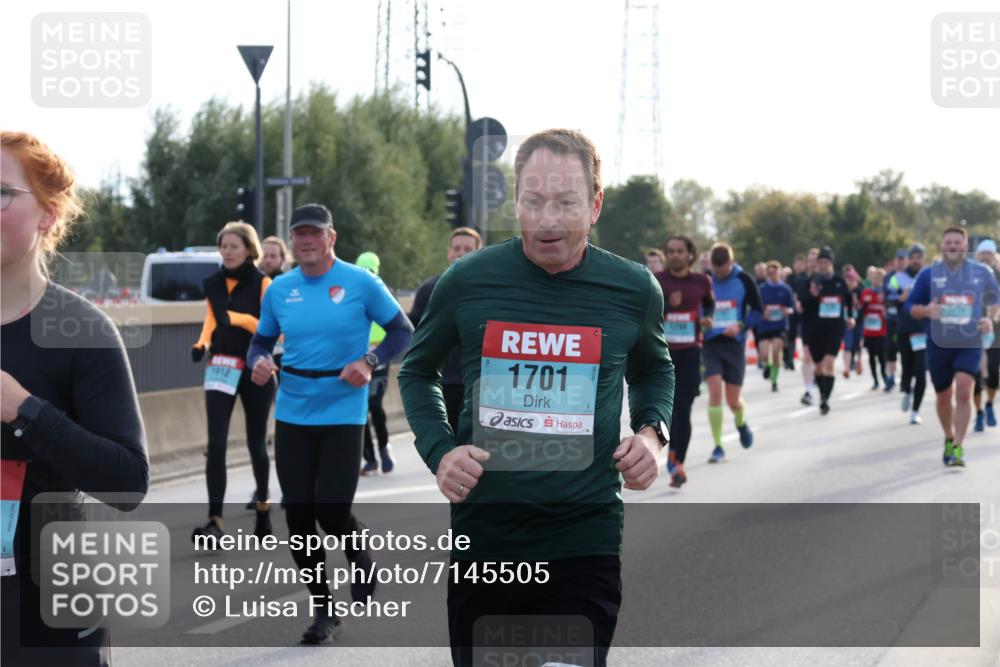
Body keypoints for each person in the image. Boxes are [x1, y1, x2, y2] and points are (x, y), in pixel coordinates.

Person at [398, 129, 674, 667]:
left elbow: (654, 369)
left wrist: (651, 434)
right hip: (488, 541)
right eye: (534, 201)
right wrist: (441, 450)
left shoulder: (633, 288)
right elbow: (417, 370)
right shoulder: (468, 280)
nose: (548, 220)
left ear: (595, 205)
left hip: (584, 538)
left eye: (567, 202)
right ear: (515, 202)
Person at [1, 131, 149, 665]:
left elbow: (129, 481)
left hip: (48, 615)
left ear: (47, 213)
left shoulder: (81, 331)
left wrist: (27, 411)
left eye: (0, 194)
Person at [248, 204, 414, 644]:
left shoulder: (361, 282)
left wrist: (370, 361)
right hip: (293, 412)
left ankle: (359, 557)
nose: (306, 241)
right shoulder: (280, 289)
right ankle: (325, 609)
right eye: (298, 234)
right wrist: (260, 361)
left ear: (331, 238)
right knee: (298, 516)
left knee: (332, 510)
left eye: (314, 234)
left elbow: (402, 331)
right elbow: (261, 340)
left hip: (343, 410)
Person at [190, 222, 275, 541]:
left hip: (256, 368)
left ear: (249, 250)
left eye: (233, 246)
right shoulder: (212, 282)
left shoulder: (263, 282)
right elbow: (212, 318)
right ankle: (215, 520)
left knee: (256, 442)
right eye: (223, 246)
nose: (227, 251)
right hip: (222, 365)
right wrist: (201, 344)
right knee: (215, 445)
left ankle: (263, 511)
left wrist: (238, 319)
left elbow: (271, 327)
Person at [905, 227, 999, 467]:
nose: (953, 246)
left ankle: (958, 445)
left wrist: (990, 318)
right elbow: (910, 307)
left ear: (965, 245)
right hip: (938, 344)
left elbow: (995, 302)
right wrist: (927, 310)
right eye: (949, 242)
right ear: (942, 245)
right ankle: (948, 436)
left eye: (958, 242)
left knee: (965, 389)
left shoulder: (982, 272)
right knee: (943, 396)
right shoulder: (928, 275)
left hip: (969, 342)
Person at [408, 227, 483, 434]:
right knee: (446, 453)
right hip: (441, 384)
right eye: (457, 248)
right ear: (449, 252)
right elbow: (415, 335)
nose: (461, 253)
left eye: (467, 248)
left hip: (478, 385)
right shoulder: (429, 290)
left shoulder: (491, 292)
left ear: (479, 251)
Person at [657, 235, 714, 487]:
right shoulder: (658, 281)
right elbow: (647, 314)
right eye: (671, 251)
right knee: (669, 410)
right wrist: (668, 306)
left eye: (680, 251)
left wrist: (708, 318)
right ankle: (673, 456)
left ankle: (677, 461)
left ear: (690, 254)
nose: (675, 256)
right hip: (662, 353)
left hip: (691, 351)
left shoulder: (701, 282)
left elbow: (710, 305)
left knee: (684, 408)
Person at [703, 242, 763, 463]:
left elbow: (758, 311)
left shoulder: (745, 280)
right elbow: (697, 307)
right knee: (715, 390)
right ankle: (718, 446)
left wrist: (741, 325)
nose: (719, 274)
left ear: (731, 262)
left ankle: (741, 422)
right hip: (711, 344)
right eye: (715, 270)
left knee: (733, 400)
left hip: (734, 344)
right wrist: (703, 321)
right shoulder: (706, 279)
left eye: (723, 270)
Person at [798, 246, 854, 415]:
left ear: (831, 263)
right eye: (820, 262)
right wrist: (812, 295)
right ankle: (822, 394)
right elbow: (802, 303)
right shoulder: (811, 282)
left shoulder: (839, 281)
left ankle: (825, 400)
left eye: (826, 262)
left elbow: (848, 300)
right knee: (819, 368)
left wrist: (850, 317)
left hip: (835, 328)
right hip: (815, 329)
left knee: (829, 363)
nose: (823, 265)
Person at [355, 251, 395, 475]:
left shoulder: (383, 293)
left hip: (379, 359)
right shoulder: (351, 293)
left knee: (374, 404)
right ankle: (370, 459)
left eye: (371, 271)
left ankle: (384, 448)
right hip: (357, 358)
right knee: (360, 409)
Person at [891, 244, 927, 424]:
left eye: (918, 257)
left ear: (923, 258)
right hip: (904, 329)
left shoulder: (928, 276)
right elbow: (886, 298)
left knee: (921, 372)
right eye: (912, 257)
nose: (915, 260)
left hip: (922, 331)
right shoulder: (897, 278)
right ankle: (906, 390)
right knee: (907, 368)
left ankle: (915, 411)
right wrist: (899, 298)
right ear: (908, 259)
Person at [972, 239, 1000, 431]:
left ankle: (989, 404)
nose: (985, 257)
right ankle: (979, 412)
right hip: (972, 330)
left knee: (993, 371)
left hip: (996, 330)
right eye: (982, 253)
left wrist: (993, 318)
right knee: (974, 373)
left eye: (989, 254)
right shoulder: (970, 275)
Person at [757, 260, 795, 392]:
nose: (772, 274)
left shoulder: (785, 289)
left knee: (775, 353)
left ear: (779, 273)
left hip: (779, 325)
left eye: (775, 272)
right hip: (765, 325)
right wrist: (763, 312)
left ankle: (774, 382)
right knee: (764, 354)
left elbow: (791, 308)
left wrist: (786, 311)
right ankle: (767, 365)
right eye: (770, 272)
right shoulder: (762, 289)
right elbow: (756, 307)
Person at [796, 247, 820, 405]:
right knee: (807, 357)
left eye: (815, 260)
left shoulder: (827, 280)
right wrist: (799, 304)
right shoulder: (803, 281)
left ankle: (819, 380)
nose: (812, 264)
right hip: (807, 323)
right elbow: (800, 299)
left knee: (820, 361)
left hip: (824, 324)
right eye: (809, 261)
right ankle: (808, 391)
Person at [883, 249, 909, 390]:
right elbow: (888, 297)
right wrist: (899, 298)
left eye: (903, 259)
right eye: (898, 259)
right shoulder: (891, 277)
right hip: (892, 319)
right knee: (891, 349)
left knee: (906, 350)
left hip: (906, 319)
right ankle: (890, 377)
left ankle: (905, 379)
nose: (900, 262)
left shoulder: (910, 275)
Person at [860, 267, 889, 390]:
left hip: (881, 331)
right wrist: (865, 304)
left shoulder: (886, 294)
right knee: (871, 357)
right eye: (875, 278)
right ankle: (875, 380)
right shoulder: (866, 293)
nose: (877, 281)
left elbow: (890, 311)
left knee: (882, 357)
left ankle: (885, 377)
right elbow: (860, 311)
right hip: (869, 331)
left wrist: (884, 309)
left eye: (880, 279)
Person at [841, 264, 865, 379]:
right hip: (846, 322)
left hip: (858, 321)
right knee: (847, 344)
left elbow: (864, 305)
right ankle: (846, 367)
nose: (850, 282)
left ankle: (858, 362)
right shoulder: (842, 291)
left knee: (857, 344)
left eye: (852, 279)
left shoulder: (860, 290)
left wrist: (857, 301)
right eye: (848, 279)